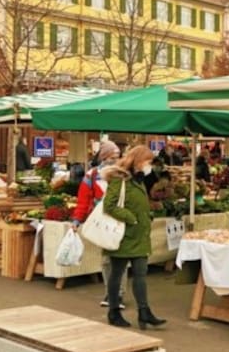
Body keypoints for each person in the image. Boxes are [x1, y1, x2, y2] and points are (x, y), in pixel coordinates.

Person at [102, 145, 166, 330]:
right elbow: (110, 206)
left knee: (141, 274)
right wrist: (132, 218)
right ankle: (114, 311)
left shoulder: (138, 180)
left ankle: (144, 312)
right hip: (124, 235)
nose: (149, 165)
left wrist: (147, 215)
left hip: (139, 235)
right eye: (147, 161)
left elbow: (137, 203)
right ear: (138, 160)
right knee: (117, 274)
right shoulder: (119, 179)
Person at [70, 141, 126, 309]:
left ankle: (118, 294)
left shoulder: (124, 174)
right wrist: (76, 221)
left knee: (119, 259)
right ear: (104, 157)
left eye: (117, 156)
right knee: (106, 260)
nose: (115, 160)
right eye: (112, 157)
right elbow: (83, 201)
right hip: (101, 223)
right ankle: (110, 292)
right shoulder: (92, 176)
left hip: (121, 221)